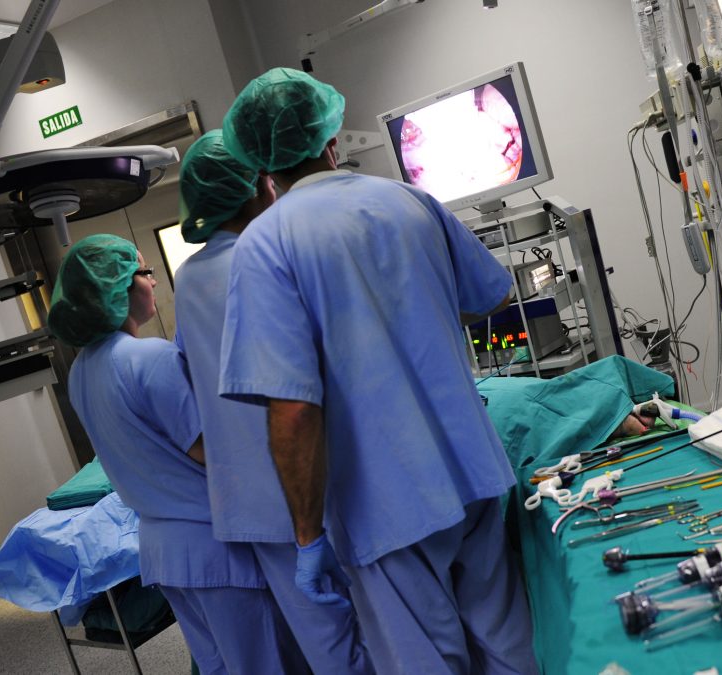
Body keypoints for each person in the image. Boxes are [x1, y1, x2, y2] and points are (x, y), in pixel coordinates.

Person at [218, 67, 539, 675]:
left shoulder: (266, 245)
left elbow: (292, 409)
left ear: (259, 163)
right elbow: (492, 294)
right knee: (509, 651)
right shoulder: (409, 201)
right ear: (330, 137)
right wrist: (411, 307)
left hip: (387, 504)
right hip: (471, 470)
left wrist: (308, 537)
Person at [49, 234, 308, 675]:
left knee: (219, 667)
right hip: (213, 547)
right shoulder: (148, 358)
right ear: (116, 287)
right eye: (144, 272)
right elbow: (213, 451)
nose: (153, 282)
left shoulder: (81, 372)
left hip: (162, 554)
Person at [174, 130, 370, 673]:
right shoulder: (272, 252)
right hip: (313, 481)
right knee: (383, 628)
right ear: (256, 185)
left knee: (325, 643)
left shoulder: (187, 279)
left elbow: (192, 371)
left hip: (251, 503)